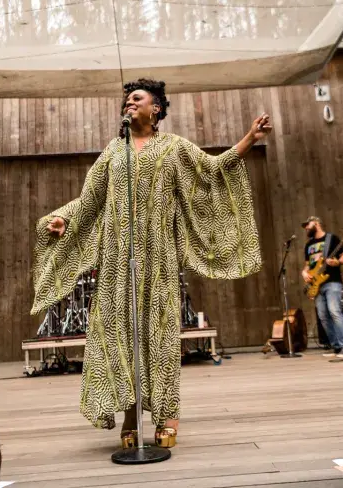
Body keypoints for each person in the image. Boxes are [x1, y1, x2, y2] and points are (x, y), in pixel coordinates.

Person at [32, 78, 271, 449]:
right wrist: (66, 220)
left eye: (137, 98)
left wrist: (250, 138)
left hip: (157, 260)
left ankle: (166, 416)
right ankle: (130, 415)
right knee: (120, 337)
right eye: (126, 99)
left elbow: (212, 169)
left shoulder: (174, 148)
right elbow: (89, 201)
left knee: (158, 338)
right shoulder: (113, 152)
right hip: (115, 265)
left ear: (156, 108)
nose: (129, 103)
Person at [301, 216, 343, 358]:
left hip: (332, 281)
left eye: (307, 224)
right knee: (323, 316)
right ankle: (335, 346)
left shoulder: (332, 239)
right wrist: (304, 273)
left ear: (316, 223)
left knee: (334, 311)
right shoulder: (308, 245)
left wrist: (337, 262)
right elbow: (307, 265)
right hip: (316, 285)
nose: (306, 228)